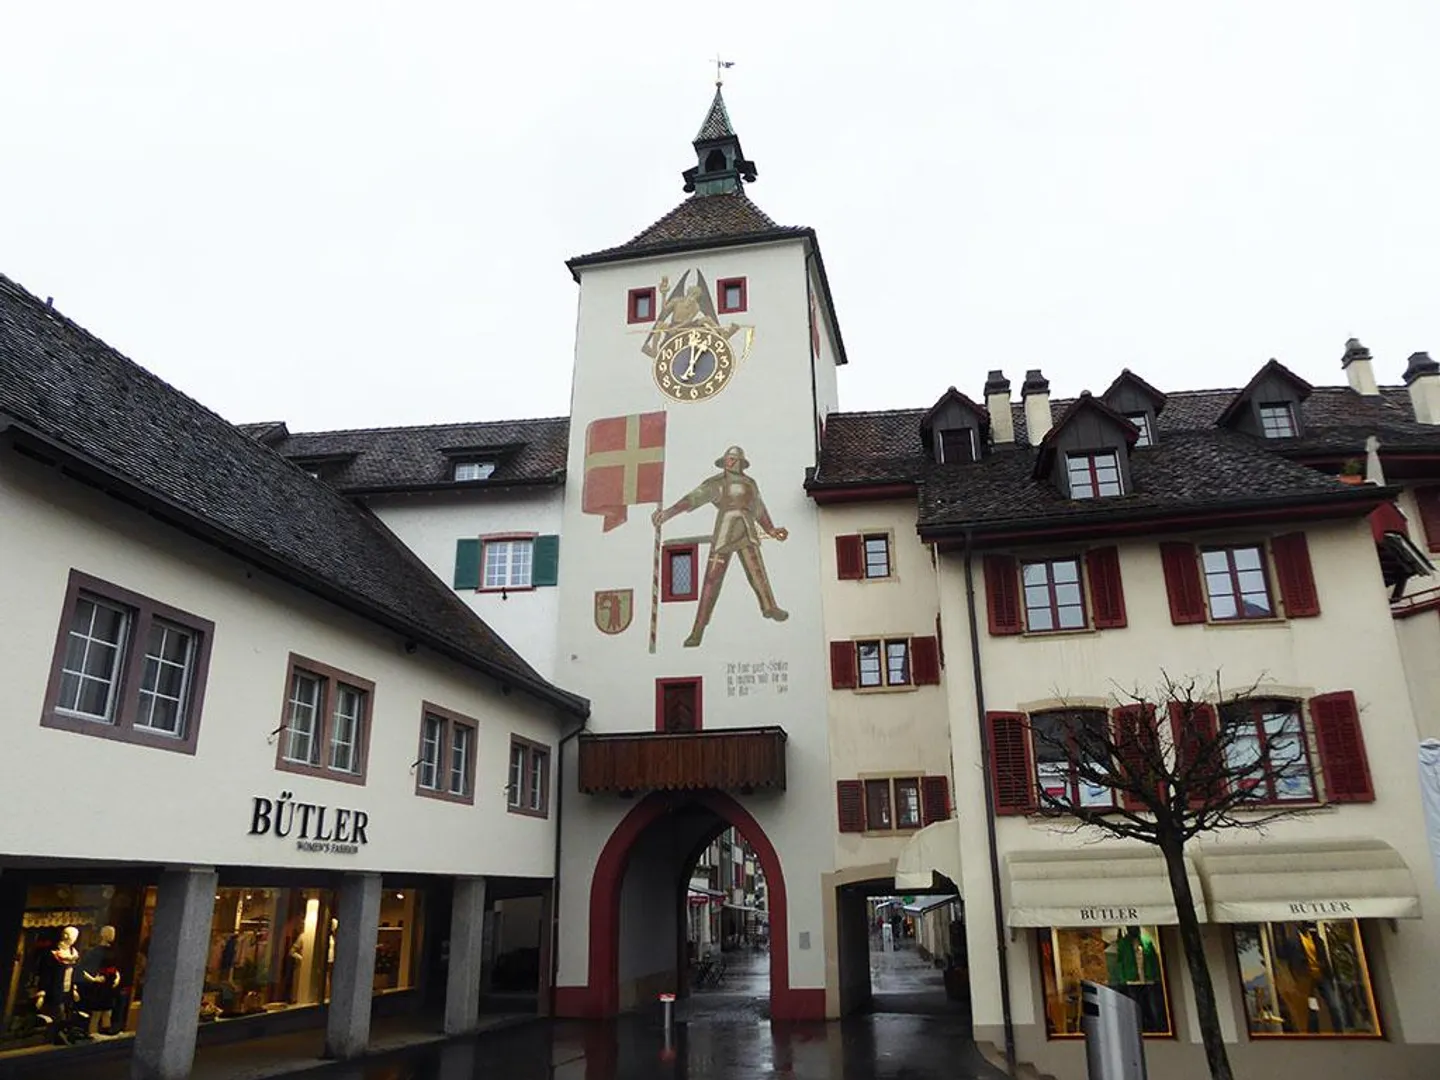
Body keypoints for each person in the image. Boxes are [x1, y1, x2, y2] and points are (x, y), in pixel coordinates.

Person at [653, 446, 788, 647]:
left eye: (733, 459)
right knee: (712, 579)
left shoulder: (750, 484)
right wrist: (668, 514)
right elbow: (692, 499)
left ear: (741, 462)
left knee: (757, 570)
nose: (730, 462)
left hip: (746, 529)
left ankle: (770, 607)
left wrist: (771, 529)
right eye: (728, 459)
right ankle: (698, 630)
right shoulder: (717, 483)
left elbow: (758, 508)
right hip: (725, 530)